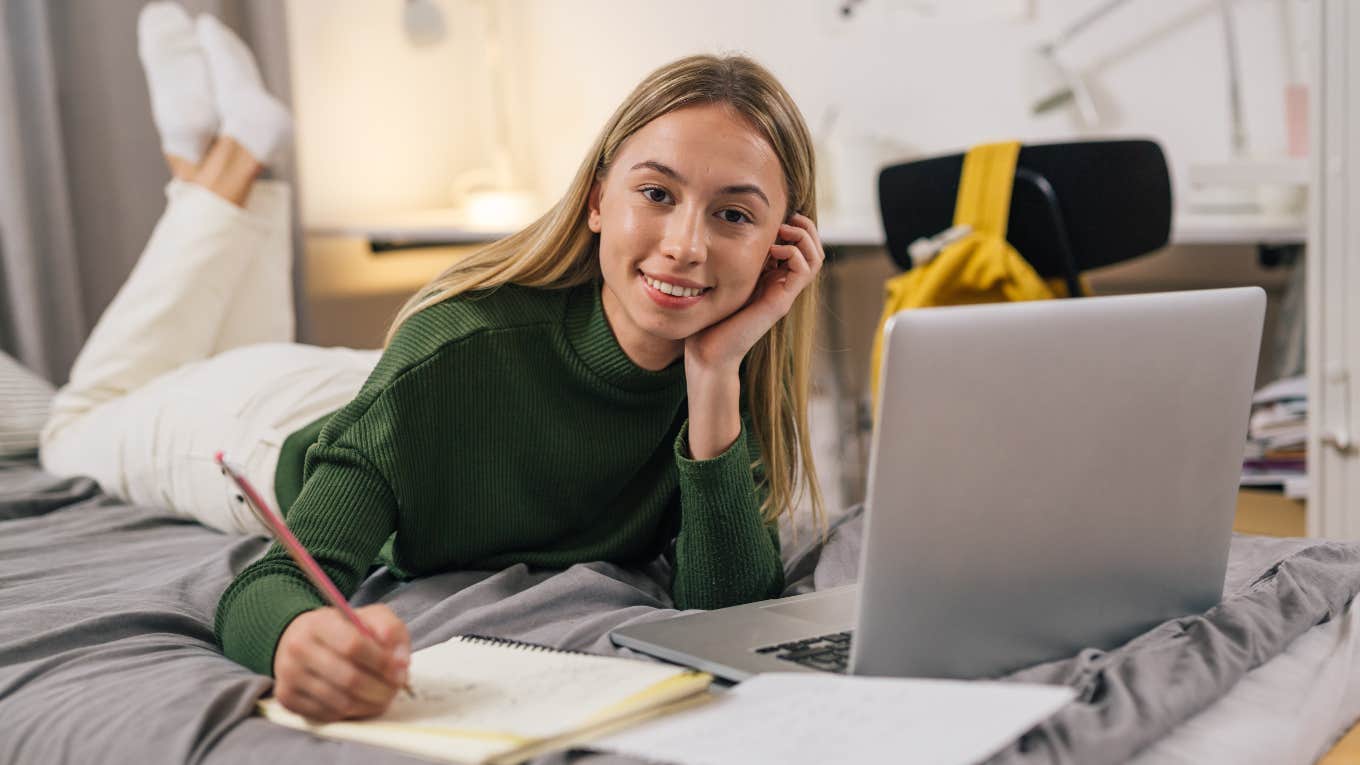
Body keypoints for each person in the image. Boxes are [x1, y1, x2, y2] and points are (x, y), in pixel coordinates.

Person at [40, 2, 826, 723]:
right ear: (595, 201)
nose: (687, 244)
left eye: (732, 214)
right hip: (265, 425)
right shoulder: (453, 353)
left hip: (386, 388)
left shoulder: (725, 369)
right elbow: (272, 581)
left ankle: (214, 159)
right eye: (657, 194)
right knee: (72, 423)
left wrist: (716, 374)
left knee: (209, 342)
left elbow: (726, 609)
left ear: (778, 248)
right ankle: (232, 157)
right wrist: (294, 643)